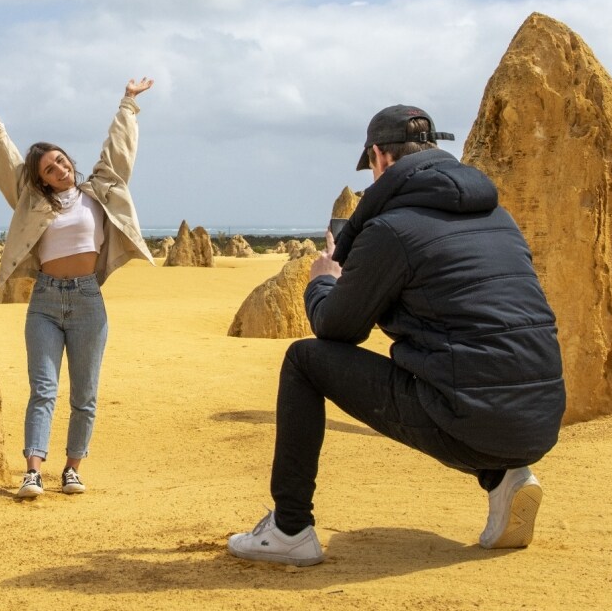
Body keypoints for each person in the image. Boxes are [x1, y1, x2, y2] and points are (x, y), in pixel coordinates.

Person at [228, 105, 566, 565]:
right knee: (470, 374)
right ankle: (504, 477)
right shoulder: (499, 218)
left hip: (470, 417)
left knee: (305, 361)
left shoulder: (392, 229)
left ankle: (290, 529)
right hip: (541, 417)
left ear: (380, 158)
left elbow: (335, 329)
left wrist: (325, 279)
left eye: (370, 166)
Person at [0, 75, 154, 500]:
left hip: (89, 300)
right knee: (43, 389)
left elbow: (117, 149)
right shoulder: (30, 200)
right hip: (46, 301)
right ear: (43, 180)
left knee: (85, 393)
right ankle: (33, 471)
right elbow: (7, 160)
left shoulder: (99, 189)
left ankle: (72, 468)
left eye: (62, 161)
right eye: (50, 168)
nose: (60, 169)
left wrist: (128, 102)